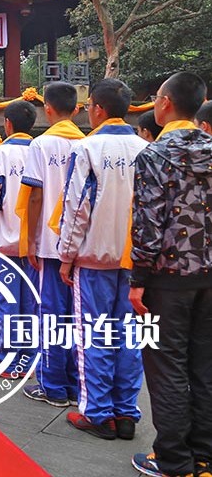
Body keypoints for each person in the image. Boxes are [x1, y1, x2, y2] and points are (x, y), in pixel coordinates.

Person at [129, 72, 212, 477]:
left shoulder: (154, 155)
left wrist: (138, 279)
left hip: (167, 275)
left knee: (167, 367)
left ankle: (173, 459)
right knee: (204, 364)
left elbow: (148, 223)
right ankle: (204, 456)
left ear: (165, 103)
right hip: (209, 275)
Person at [57, 78, 147, 441]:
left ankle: (97, 411)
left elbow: (77, 207)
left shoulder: (88, 148)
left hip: (94, 254)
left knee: (94, 333)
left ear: (98, 108)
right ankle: (126, 411)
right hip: (135, 259)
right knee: (130, 335)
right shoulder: (147, 148)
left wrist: (66, 255)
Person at [18, 81, 84, 408]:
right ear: (75, 109)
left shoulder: (41, 145)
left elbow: (36, 195)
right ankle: (74, 381)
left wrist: (30, 238)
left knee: (51, 312)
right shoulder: (86, 143)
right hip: (82, 243)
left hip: (49, 241)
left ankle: (52, 383)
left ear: (47, 108)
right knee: (77, 314)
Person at [0, 100, 36, 378]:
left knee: (7, 301)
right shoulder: (43, 151)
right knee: (32, 303)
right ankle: (31, 358)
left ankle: (9, 361)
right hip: (38, 244)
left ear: (7, 124)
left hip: (6, 239)